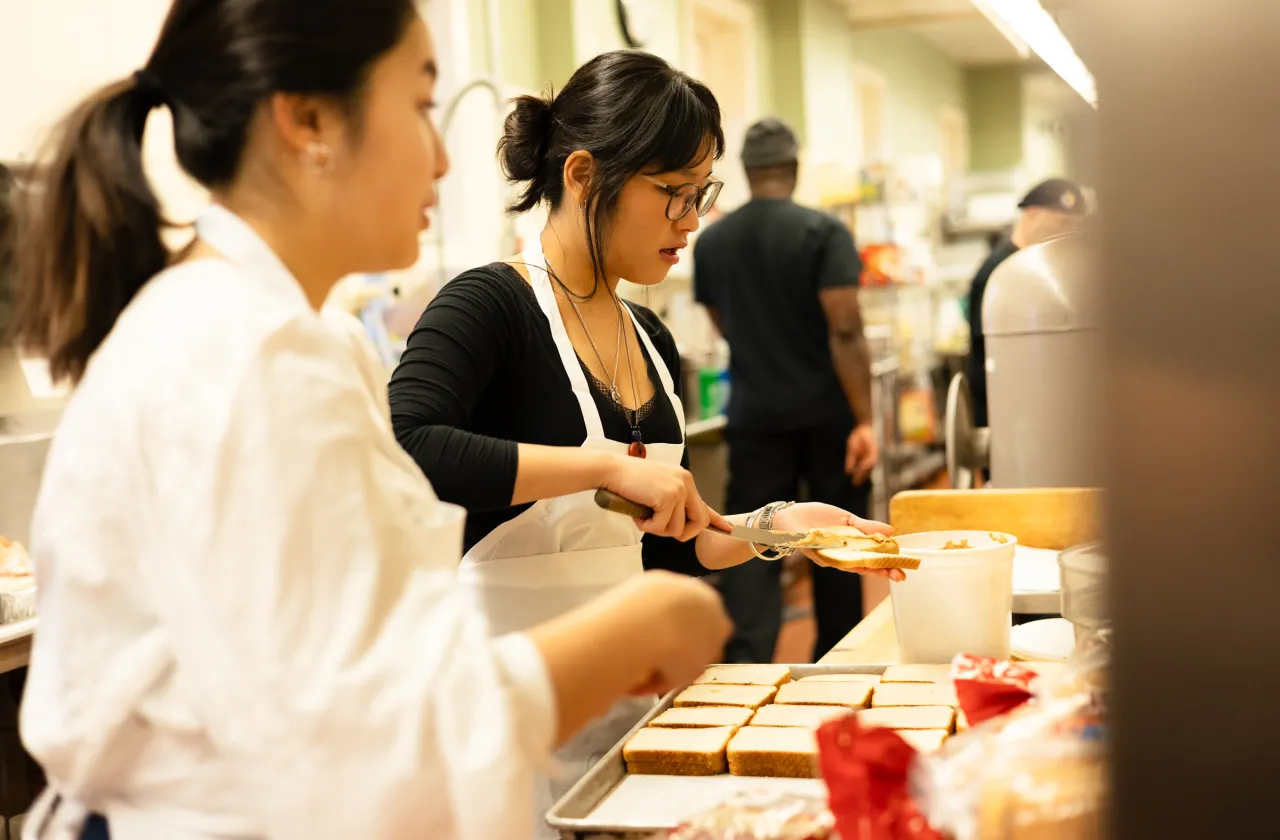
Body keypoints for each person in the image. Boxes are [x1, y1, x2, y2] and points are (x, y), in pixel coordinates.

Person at [8, 4, 735, 839]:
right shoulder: (247, 355)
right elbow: (366, 740)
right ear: (310, 121)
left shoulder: (294, 337)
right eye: (421, 106)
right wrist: (631, 632)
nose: (441, 158)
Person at [387, 53, 902, 838]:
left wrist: (781, 525)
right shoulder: (488, 306)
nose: (691, 221)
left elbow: (675, 544)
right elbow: (407, 449)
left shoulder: (652, 338)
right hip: (506, 732)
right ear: (584, 176)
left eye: (702, 194)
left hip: (630, 720)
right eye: (674, 194)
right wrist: (601, 468)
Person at [692, 117, 880, 665]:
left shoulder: (713, 241)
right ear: (793, 169)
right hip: (827, 416)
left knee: (752, 538)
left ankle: (746, 665)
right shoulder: (823, 232)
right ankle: (841, 661)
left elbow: (721, 321)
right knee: (837, 538)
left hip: (755, 415)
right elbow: (845, 330)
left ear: (746, 171)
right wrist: (865, 420)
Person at [967, 177, 1088, 428]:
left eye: (1076, 225)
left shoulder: (1044, 267)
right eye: (1062, 222)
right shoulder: (1000, 270)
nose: (1068, 233)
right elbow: (994, 351)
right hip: (1006, 413)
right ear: (1031, 214)